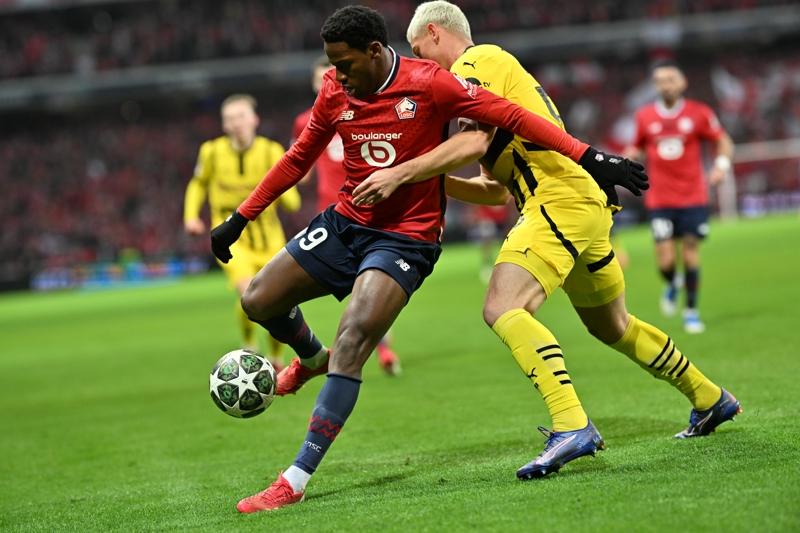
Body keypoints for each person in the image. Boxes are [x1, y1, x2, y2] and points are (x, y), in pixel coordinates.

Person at [210, 5, 645, 512]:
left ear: (375, 51)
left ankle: (294, 479)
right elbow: (297, 157)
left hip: (405, 238)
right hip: (347, 220)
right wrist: (240, 218)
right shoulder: (333, 90)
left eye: (345, 63)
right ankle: (310, 358)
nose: (338, 74)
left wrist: (589, 155)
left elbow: (509, 115)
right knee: (258, 300)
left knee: (353, 339)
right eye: (332, 64)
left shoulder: (430, 83)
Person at [353, 0, 740, 481]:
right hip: (577, 203)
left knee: (503, 306)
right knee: (613, 326)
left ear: (435, 33)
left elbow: (474, 143)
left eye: (418, 50)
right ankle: (709, 397)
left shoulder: (476, 62)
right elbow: (495, 189)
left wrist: (402, 171)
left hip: (557, 201)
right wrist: (429, 181)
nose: (420, 63)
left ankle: (571, 423)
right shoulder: (486, 80)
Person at [292, 56, 402, 375]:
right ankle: (375, 349)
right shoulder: (305, 121)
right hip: (331, 211)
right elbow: (302, 169)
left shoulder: (362, 108)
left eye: (327, 76)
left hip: (366, 205)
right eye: (318, 79)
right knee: (360, 285)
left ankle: (379, 349)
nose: (323, 83)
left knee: (370, 281)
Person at [184, 94, 301, 369]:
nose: (235, 123)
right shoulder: (211, 151)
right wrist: (191, 217)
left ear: (254, 120)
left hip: (270, 237)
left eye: (240, 116)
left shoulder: (270, 151)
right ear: (224, 124)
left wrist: (289, 193)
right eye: (229, 119)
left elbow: (291, 199)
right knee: (249, 292)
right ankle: (250, 345)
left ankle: (275, 357)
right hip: (232, 239)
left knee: (279, 298)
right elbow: (198, 183)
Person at [624, 60, 734, 333]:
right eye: (660, 81)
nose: (666, 85)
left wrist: (721, 167)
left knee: (691, 252)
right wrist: (627, 159)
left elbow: (723, 140)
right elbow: (637, 146)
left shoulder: (699, 113)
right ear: (655, 86)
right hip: (660, 200)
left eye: (671, 79)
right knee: (665, 262)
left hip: (693, 196)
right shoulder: (645, 116)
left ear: (682, 83)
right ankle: (673, 282)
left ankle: (691, 311)